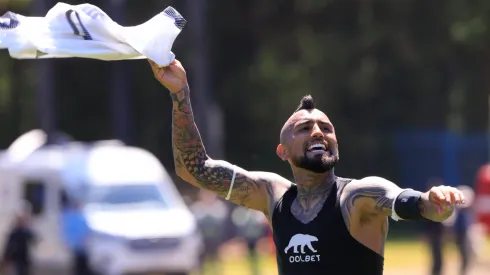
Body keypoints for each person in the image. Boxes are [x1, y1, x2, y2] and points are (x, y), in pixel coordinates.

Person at [148, 59, 465, 275]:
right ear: (282, 151)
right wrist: (180, 94)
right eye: (304, 128)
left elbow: (405, 200)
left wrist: (433, 204)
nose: (318, 132)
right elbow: (195, 168)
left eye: (326, 128)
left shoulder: (356, 196)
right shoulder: (272, 195)